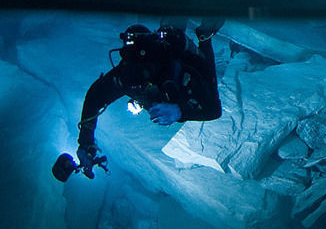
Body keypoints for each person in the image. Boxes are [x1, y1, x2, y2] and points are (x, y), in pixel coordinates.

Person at [74, 21, 224, 178]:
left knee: (206, 82)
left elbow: (213, 110)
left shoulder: (172, 67)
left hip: (186, 75)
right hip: (167, 79)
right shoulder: (125, 76)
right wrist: (85, 142)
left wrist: (180, 111)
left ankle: (204, 38)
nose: (141, 84)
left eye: (143, 78)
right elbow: (94, 97)